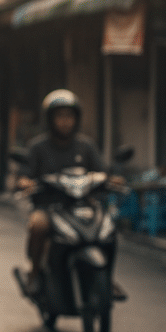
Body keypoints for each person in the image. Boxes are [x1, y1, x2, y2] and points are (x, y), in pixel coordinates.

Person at [17, 89, 105, 290]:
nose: (65, 121)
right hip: (48, 208)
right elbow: (24, 174)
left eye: (69, 116)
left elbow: (101, 171)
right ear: (50, 119)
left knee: (107, 228)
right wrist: (24, 182)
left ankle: (107, 277)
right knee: (38, 225)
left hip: (81, 206)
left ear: (77, 119)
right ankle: (35, 273)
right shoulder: (38, 147)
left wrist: (111, 178)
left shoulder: (86, 146)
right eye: (60, 116)